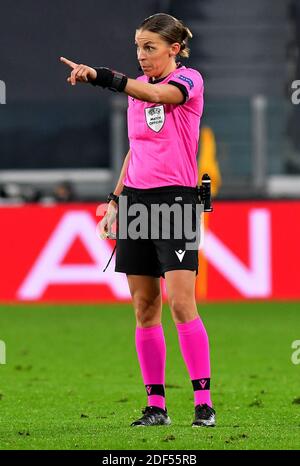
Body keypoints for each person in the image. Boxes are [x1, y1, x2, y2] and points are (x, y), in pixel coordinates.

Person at [60, 12, 216, 428]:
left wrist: (101, 77)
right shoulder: (136, 90)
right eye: (138, 48)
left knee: (181, 303)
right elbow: (137, 148)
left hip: (176, 202)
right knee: (144, 307)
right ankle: (156, 407)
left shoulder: (189, 81)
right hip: (136, 203)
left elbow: (163, 99)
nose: (142, 56)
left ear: (174, 49)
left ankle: (203, 403)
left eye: (150, 47)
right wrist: (115, 199)